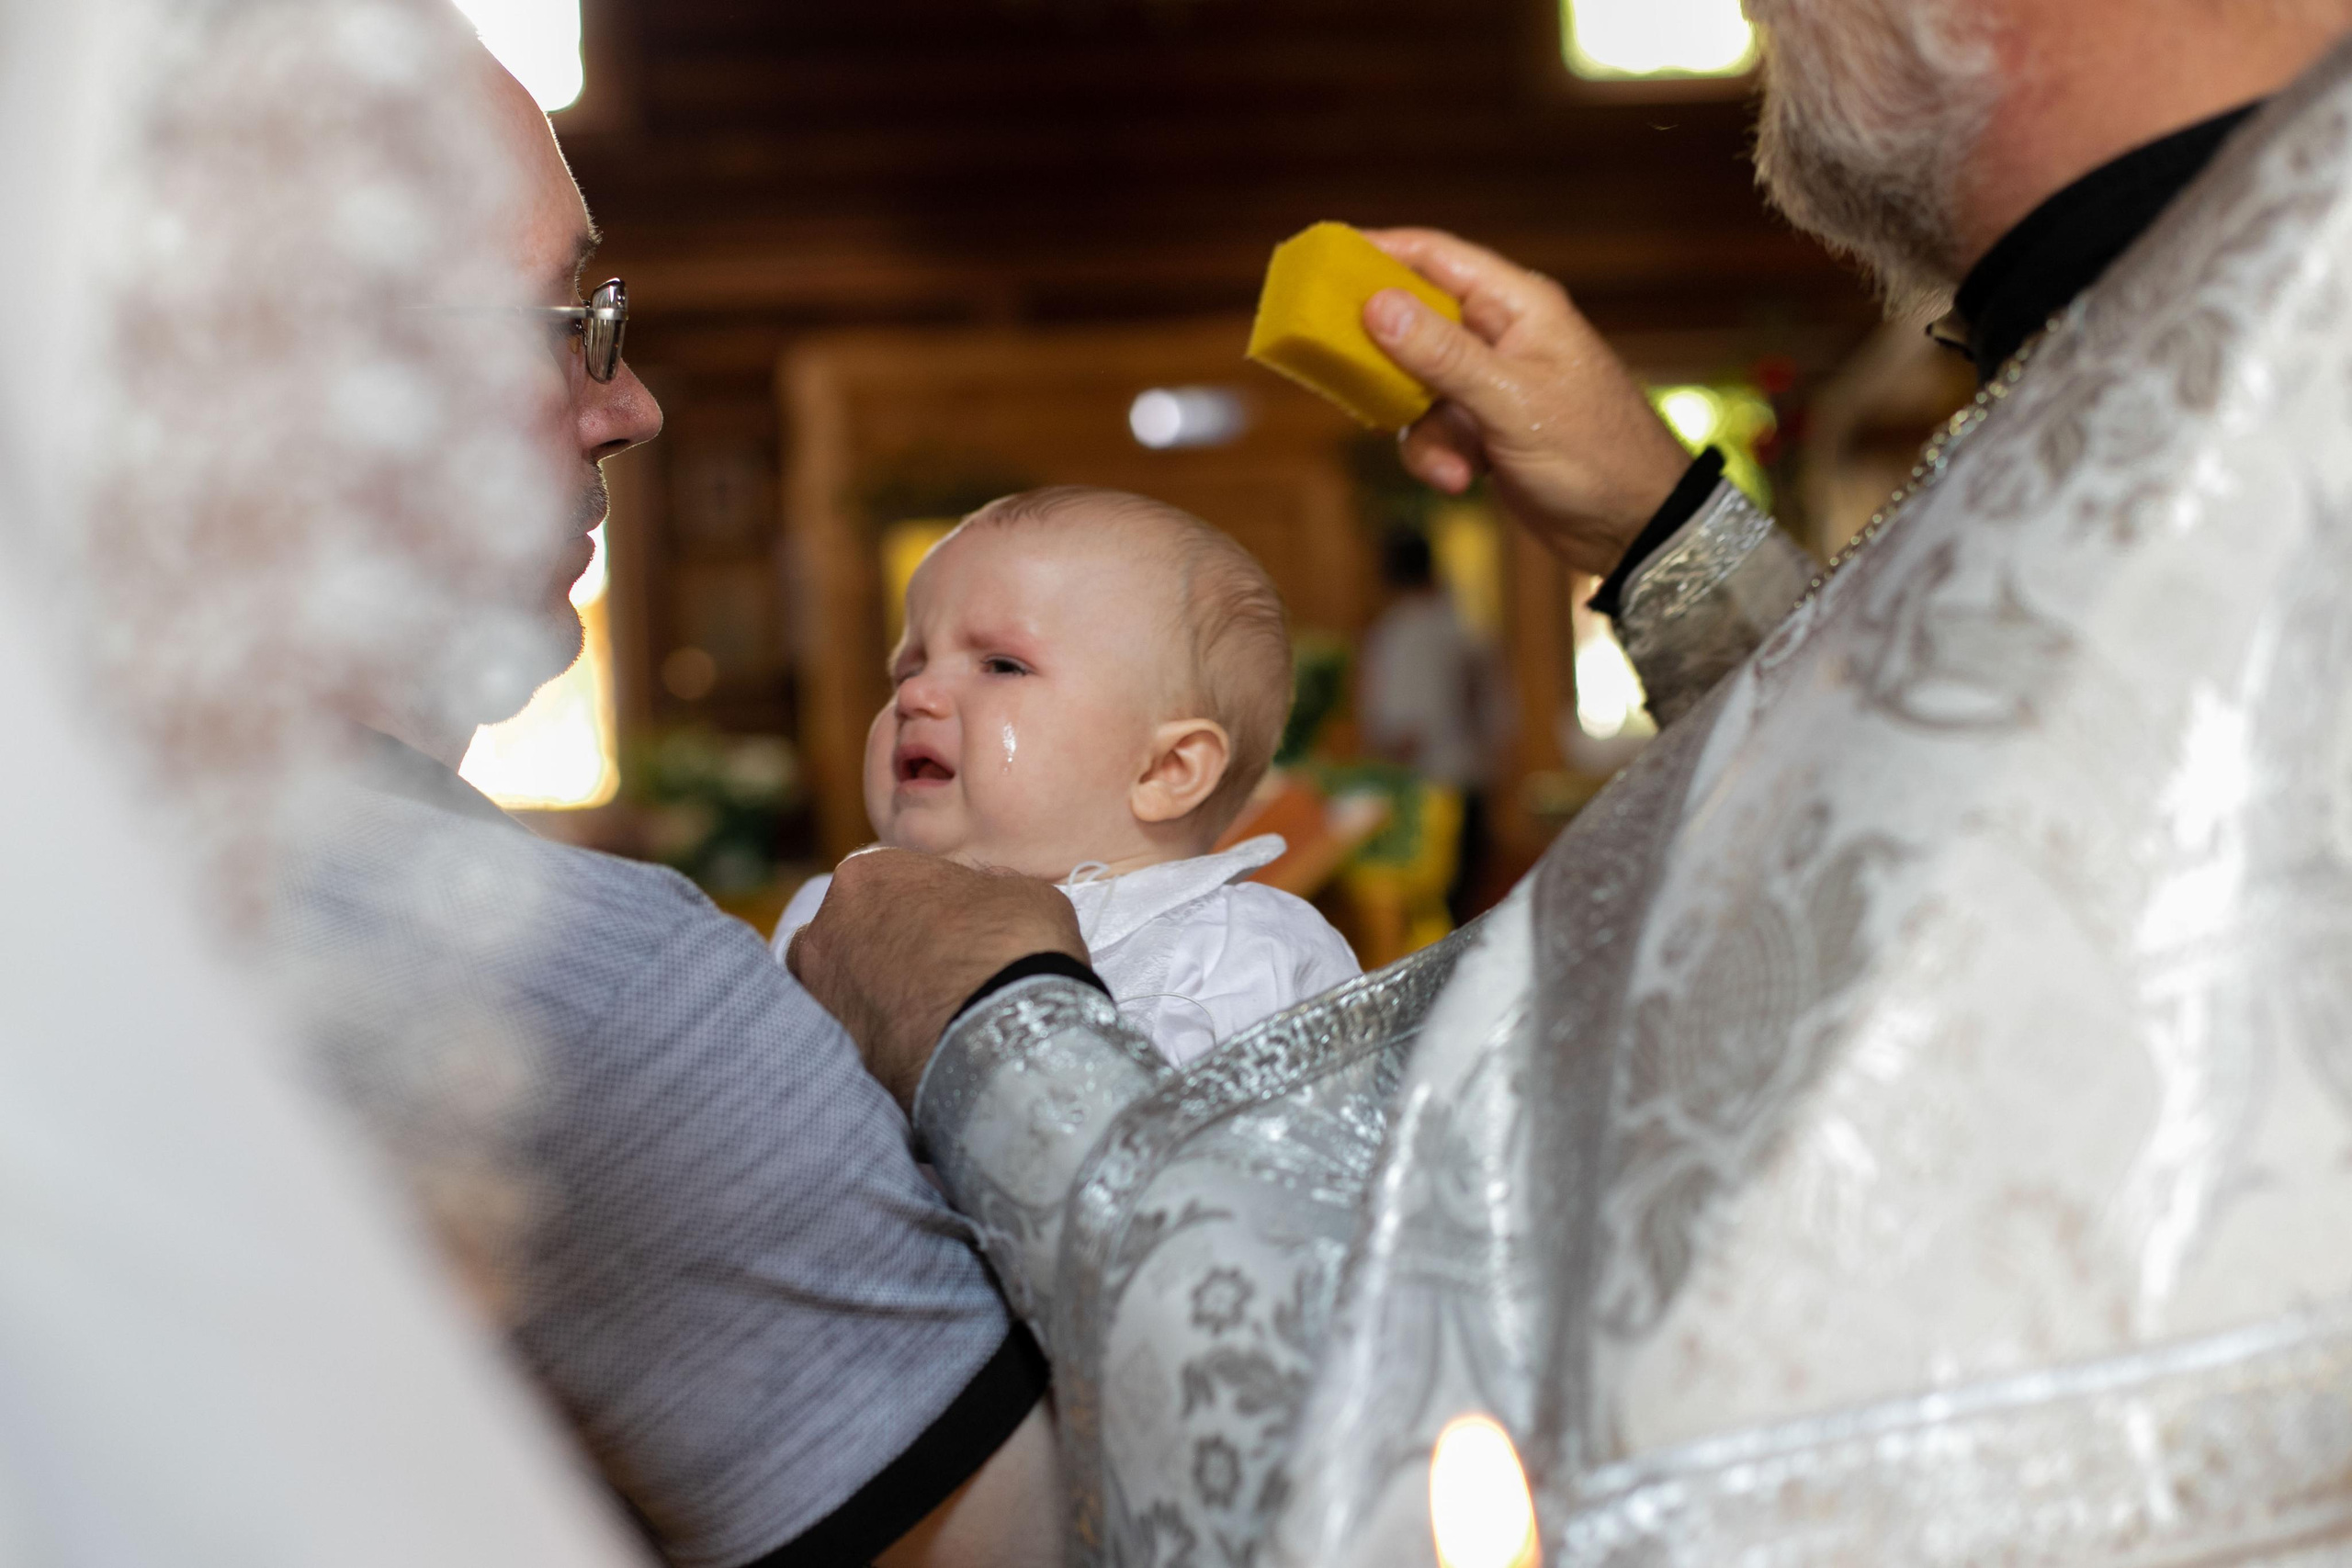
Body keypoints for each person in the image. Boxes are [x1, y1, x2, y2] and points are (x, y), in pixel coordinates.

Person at [791, 0, 2352, 1561]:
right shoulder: (2202, 338)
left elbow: (1570, 1446)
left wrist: (998, 1034)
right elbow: (1944, 865)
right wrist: (1667, 541)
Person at [280, 44, 1061, 1568]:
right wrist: (1009, 1014)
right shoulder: (569, 987)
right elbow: (1080, 1536)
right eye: (570, 324)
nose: (630, 403)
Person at [771, 488, 1359, 1068]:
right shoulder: (826, 919)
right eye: (910, 665)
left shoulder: (1239, 952)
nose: (914, 695)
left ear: (1165, 770)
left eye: (1002, 665)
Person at [1355, 526, 1511, 922]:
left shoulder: (1399, 633)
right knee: (1470, 902)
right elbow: (1494, 708)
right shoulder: (1463, 624)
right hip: (1472, 774)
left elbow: (1403, 730)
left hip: (1426, 790)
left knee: (1434, 910)